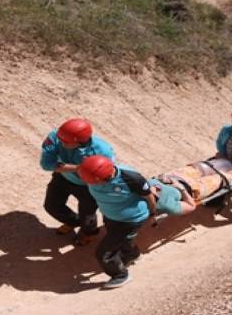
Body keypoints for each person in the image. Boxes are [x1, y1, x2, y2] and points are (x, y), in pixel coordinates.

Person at [78, 155, 155, 289]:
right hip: (110, 216)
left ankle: (121, 275)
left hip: (130, 221)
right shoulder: (90, 173)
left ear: (108, 177)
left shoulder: (131, 178)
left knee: (103, 253)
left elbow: (149, 197)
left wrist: (153, 213)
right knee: (121, 239)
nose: (93, 185)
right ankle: (132, 254)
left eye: (96, 183)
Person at [40, 118, 115, 246]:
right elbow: (46, 164)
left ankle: (88, 233)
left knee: (87, 214)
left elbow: (106, 175)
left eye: (66, 142)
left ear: (80, 142)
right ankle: (73, 222)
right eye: (61, 139)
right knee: (51, 206)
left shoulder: (102, 151)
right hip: (63, 178)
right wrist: (79, 168)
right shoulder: (56, 136)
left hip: (88, 186)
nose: (61, 143)